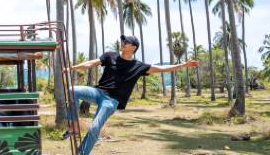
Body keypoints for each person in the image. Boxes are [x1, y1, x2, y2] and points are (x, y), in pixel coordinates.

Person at [63, 34, 200, 155]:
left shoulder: (138, 66)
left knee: (94, 127)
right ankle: (74, 125)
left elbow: (162, 68)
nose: (122, 43)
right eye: (122, 41)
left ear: (133, 47)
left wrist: (183, 65)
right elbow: (90, 63)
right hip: (98, 92)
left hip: (110, 101)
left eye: (125, 42)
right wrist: (72, 67)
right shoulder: (110, 55)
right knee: (71, 90)